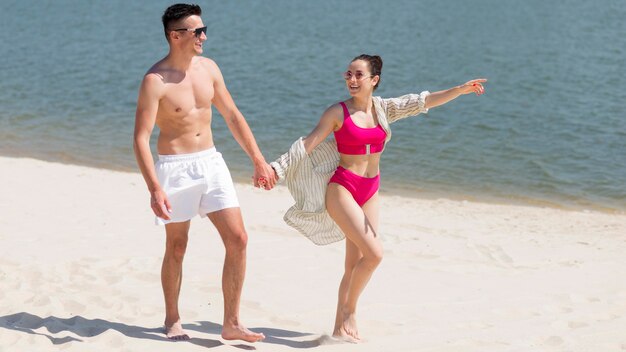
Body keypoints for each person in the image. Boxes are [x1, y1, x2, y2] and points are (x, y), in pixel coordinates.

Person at [269, 54, 486, 342]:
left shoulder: (384, 109)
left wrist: (459, 90)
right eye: (348, 75)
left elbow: (423, 101)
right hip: (343, 187)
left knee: (354, 264)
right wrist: (275, 169)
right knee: (375, 254)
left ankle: (337, 330)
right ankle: (350, 312)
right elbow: (306, 145)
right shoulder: (337, 113)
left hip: (371, 189)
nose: (352, 80)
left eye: (359, 75)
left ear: (374, 80)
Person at [133, 3, 275, 342]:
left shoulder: (209, 68)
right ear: (175, 35)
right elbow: (140, 139)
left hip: (212, 163)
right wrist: (154, 187)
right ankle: (172, 319)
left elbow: (233, 116)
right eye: (197, 31)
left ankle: (232, 322)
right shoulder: (155, 81)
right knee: (178, 246)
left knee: (238, 239)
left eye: (204, 29)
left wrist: (258, 159)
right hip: (175, 168)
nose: (204, 36)